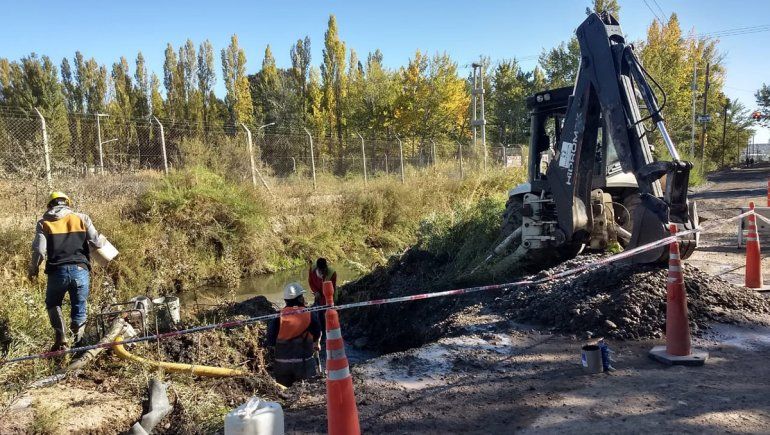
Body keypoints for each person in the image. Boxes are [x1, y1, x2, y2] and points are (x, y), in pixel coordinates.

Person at [28, 192, 106, 351]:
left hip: (57, 271)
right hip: (80, 269)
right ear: (67, 204)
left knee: (53, 303)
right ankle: (78, 346)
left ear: (49, 205)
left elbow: (39, 251)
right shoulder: (82, 218)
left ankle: (61, 337)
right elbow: (96, 242)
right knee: (79, 307)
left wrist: (33, 270)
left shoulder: (43, 223)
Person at [266, 283, 322, 387]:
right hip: (304, 365)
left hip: (282, 366)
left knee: (284, 394)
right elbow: (317, 334)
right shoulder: (309, 314)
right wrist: (316, 343)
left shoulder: (278, 316)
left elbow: (270, 340)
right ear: (301, 299)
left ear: (285, 300)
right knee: (308, 391)